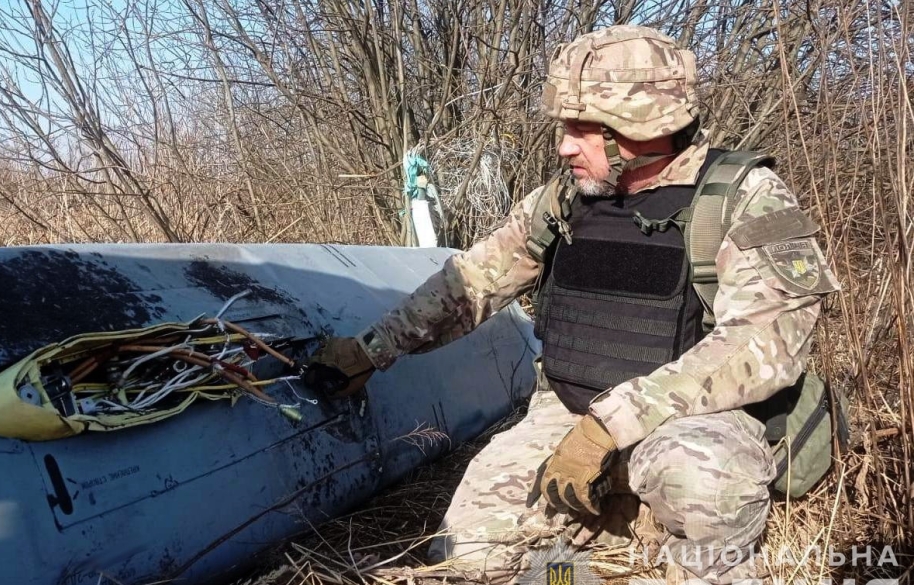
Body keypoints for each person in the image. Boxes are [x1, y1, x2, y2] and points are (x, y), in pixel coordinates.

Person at [303, 25, 840, 584]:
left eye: (584, 129)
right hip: (564, 414)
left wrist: (610, 426)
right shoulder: (562, 201)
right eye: (564, 127)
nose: (564, 145)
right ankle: (595, 543)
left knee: (706, 483)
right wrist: (372, 350)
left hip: (692, 428)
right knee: (470, 555)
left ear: (646, 125)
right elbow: (470, 282)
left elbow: (764, 343)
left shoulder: (744, 199)